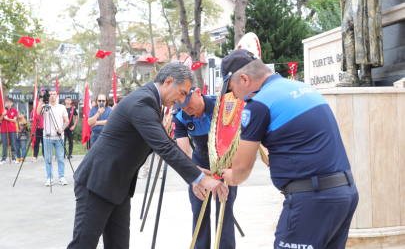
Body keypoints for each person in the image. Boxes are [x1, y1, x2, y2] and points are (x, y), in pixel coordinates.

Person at [67, 62, 229, 249]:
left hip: (118, 186)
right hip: (97, 182)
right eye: (183, 92)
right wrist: (200, 178)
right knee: (83, 245)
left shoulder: (151, 102)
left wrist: (194, 173)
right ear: (168, 82)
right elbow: (163, 146)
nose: (182, 100)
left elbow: (164, 143)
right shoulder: (143, 102)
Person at [220, 49, 359, 249]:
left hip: (312, 200)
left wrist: (229, 177)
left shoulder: (258, 104)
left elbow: (241, 168)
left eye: (231, 89)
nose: (234, 97)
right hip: (344, 193)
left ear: (244, 79)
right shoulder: (303, 88)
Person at [172, 87, 238, 249]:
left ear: (198, 92)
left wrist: (234, 168)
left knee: (225, 210)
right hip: (200, 161)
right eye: (180, 105)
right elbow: (184, 153)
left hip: (225, 161)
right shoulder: (180, 117)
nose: (185, 108)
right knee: (198, 209)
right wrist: (194, 176)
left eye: (187, 102)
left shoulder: (223, 107)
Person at [37, 89, 69, 186]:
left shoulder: (62, 107)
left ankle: (61, 177)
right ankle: (49, 178)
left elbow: (66, 121)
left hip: (59, 137)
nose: (52, 96)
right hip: (47, 137)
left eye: (54, 94)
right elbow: (38, 113)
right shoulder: (45, 106)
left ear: (57, 95)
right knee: (48, 159)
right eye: (50, 94)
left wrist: (62, 128)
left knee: (60, 158)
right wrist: (41, 98)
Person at [0, 98, 18, 165]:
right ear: (6, 102)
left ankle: (13, 158)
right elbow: (0, 119)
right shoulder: (3, 110)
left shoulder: (14, 110)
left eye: (10, 102)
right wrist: (2, 114)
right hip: (4, 129)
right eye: (7, 102)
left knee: (13, 144)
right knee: (4, 144)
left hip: (12, 129)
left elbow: (14, 120)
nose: (8, 103)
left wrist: (8, 119)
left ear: (12, 103)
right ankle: (3, 158)